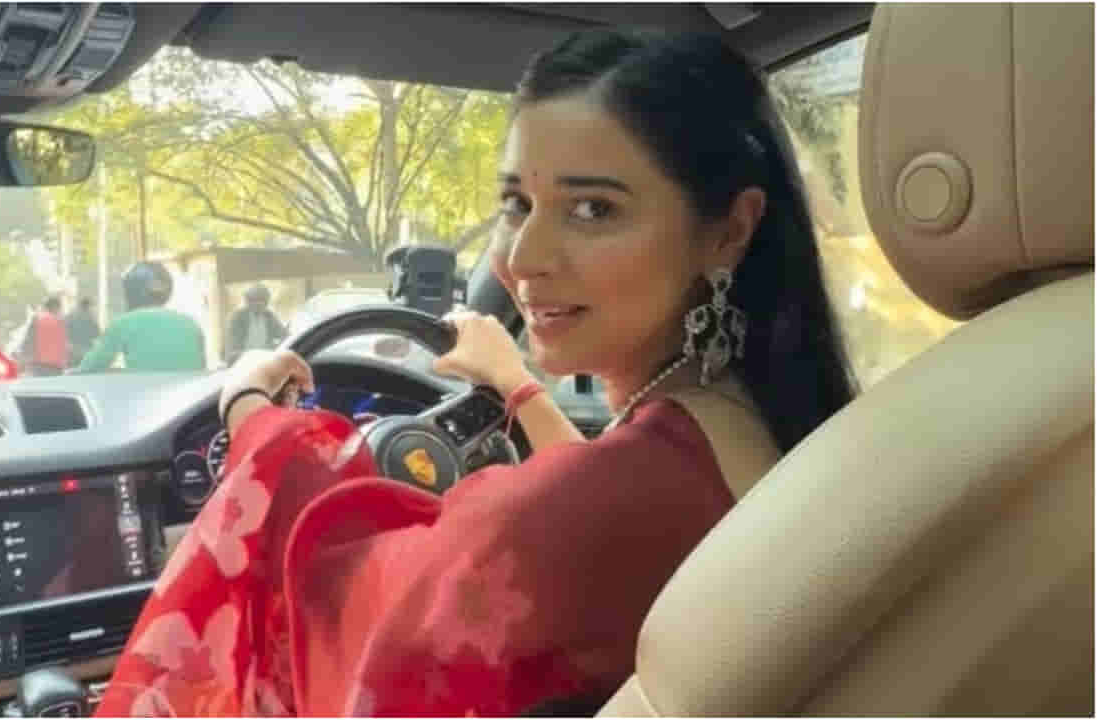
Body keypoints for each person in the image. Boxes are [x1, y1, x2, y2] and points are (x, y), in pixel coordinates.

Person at [97, 28, 855, 717]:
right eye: (518, 204)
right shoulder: (751, 426)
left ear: (728, 231)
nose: (524, 258)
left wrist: (254, 416)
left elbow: (349, 598)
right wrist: (517, 388)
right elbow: (594, 505)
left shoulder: (611, 497)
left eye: (593, 209)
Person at [77, 262, 207, 373]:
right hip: (191, 394)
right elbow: (201, 367)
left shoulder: (123, 323)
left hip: (147, 393)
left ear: (130, 290)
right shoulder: (191, 324)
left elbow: (91, 367)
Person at [225, 284, 287, 363]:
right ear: (248, 301)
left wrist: (278, 346)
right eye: (255, 300)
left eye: (262, 300)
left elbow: (284, 335)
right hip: (243, 359)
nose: (259, 303)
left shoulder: (270, 316)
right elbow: (233, 343)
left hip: (264, 359)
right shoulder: (238, 316)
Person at [18, 296, 68, 376]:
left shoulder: (37, 319)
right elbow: (65, 344)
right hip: (56, 366)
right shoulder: (62, 321)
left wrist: (22, 359)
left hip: (38, 365)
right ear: (57, 307)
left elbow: (28, 341)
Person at [64, 296, 101, 368]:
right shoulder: (91, 318)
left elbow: (64, 332)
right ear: (88, 306)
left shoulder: (69, 316)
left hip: (72, 349)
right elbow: (96, 334)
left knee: (72, 370)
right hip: (86, 350)